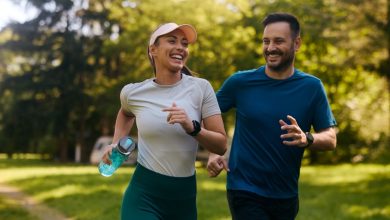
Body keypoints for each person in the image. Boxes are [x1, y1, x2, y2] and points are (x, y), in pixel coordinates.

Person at [207, 13, 337, 220]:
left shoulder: (312, 87)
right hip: (244, 189)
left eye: (278, 41)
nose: (270, 47)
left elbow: (330, 139)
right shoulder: (240, 83)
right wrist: (215, 151)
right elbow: (207, 112)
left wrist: (306, 138)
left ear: (297, 44)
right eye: (266, 41)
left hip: (286, 194)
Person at [102, 22, 227, 220]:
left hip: (184, 200)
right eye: (172, 41)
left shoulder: (201, 88)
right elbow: (126, 113)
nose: (181, 47)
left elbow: (220, 144)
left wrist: (192, 128)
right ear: (153, 50)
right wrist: (117, 142)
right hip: (144, 196)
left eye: (184, 44)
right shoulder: (133, 92)